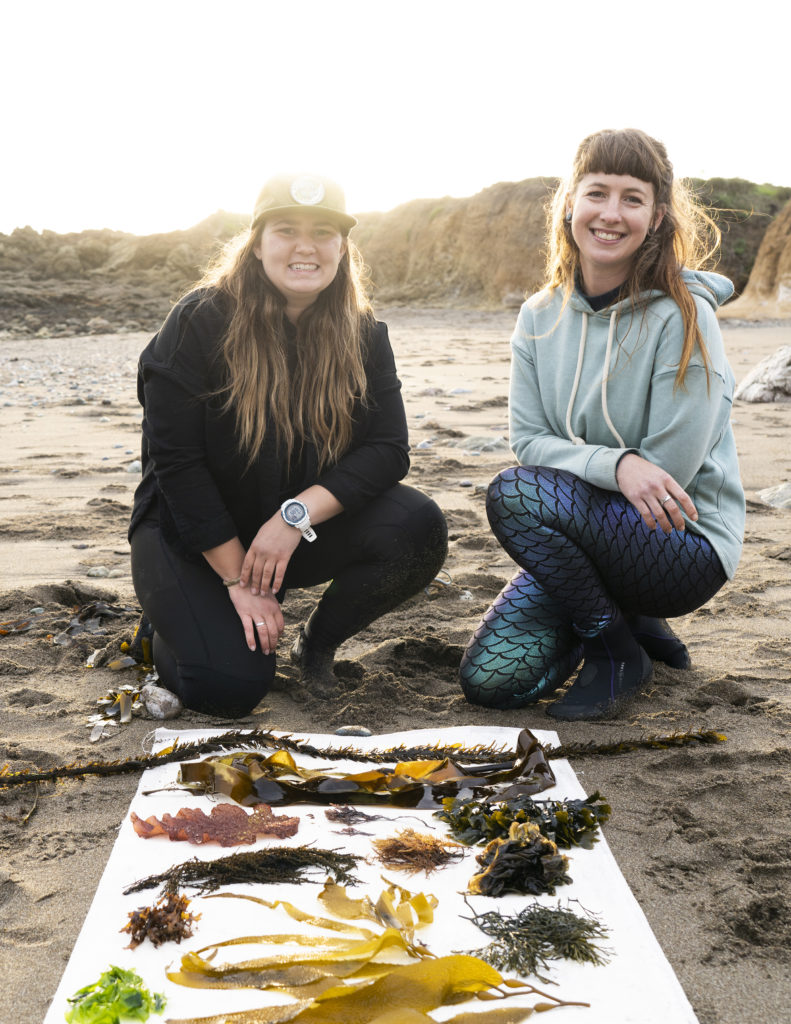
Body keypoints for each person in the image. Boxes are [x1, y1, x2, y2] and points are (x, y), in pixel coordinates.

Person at [129, 173, 447, 717]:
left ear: (342, 247)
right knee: (227, 688)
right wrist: (237, 578)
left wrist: (292, 518)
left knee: (417, 528)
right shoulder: (199, 320)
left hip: (285, 537)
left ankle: (316, 645)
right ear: (256, 242)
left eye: (324, 231)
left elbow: (389, 448)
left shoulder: (365, 334)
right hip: (187, 536)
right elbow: (177, 466)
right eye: (286, 229)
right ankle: (163, 624)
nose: (306, 246)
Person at [459, 128, 745, 721]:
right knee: (493, 681)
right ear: (570, 203)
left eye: (632, 199)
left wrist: (619, 471)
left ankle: (616, 648)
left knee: (515, 492)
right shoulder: (539, 315)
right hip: (587, 532)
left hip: (680, 543)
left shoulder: (683, 317)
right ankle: (629, 621)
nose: (610, 214)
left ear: (658, 217)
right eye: (597, 193)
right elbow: (528, 439)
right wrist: (616, 462)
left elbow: (666, 477)